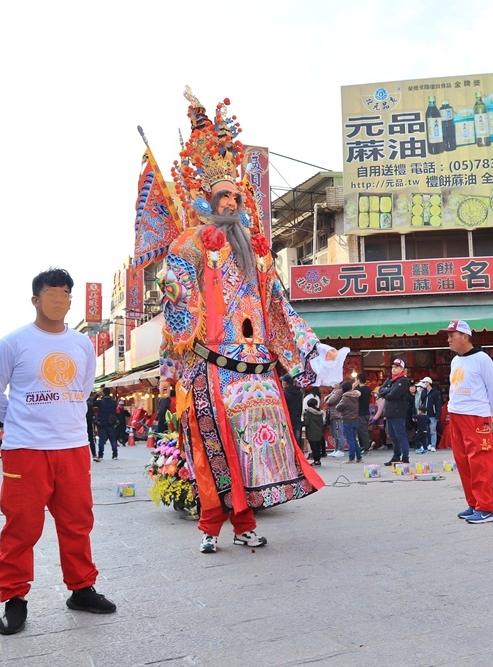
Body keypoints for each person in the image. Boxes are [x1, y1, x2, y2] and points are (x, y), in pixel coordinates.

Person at [157, 90, 327, 555]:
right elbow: (173, 299)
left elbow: (277, 306)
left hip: (256, 368)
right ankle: (211, 527)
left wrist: (309, 350)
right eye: (222, 195)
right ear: (207, 199)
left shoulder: (256, 251)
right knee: (215, 450)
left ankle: (246, 523)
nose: (231, 201)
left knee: (257, 451)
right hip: (212, 364)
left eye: (236, 194)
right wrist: (177, 350)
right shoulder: (190, 245)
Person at [0, 267, 116, 635]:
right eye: (51, 294)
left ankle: (81, 588)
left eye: (65, 294)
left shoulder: (82, 344)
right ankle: (14, 598)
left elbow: (84, 390)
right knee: (21, 526)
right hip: (25, 450)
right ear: (35, 300)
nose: (59, 300)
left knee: (77, 522)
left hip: (72, 447)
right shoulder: (13, 343)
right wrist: (21, 420)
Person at [443, 320, 493, 524]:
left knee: (480, 461)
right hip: (457, 415)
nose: (448, 339)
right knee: (463, 460)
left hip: (476, 416)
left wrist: (487, 413)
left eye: (452, 335)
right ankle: (474, 503)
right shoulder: (455, 361)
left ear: (465, 337)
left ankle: (485, 508)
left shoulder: (482, 359)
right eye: (448, 335)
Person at [379, 358, 412, 466]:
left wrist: (386, 393)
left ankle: (405, 457)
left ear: (402, 368)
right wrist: (387, 391)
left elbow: (393, 395)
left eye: (396, 367)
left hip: (398, 413)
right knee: (392, 437)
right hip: (389, 412)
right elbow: (381, 390)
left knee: (401, 436)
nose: (393, 369)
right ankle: (396, 456)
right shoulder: (390, 379)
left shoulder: (403, 380)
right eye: (393, 367)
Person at [335, 379, 362, 462]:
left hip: (347, 420)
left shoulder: (345, 397)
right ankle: (359, 457)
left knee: (350, 440)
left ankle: (351, 458)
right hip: (355, 419)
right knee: (354, 439)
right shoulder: (356, 396)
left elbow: (338, 407)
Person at [94, 387, 117, 462]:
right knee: (113, 439)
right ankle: (115, 454)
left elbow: (93, 402)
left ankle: (100, 455)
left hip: (102, 423)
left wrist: (97, 395)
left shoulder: (100, 402)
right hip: (111, 422)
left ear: (103, 393)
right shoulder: (114, 402)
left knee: (101, 439)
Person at [282, 374, 304, 451]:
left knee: (288, 441)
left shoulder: (284, 393)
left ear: (285, 383)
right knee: (297, 441)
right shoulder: (299, 393)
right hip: (297, 418)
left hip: (288, 420)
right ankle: (298, 458)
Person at [303, 397, 325, 466]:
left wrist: (300, 423)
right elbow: (322, 423)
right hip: (318, 432)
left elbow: (306, 423)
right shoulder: (320, 412)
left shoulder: (307, 413)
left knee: (313, 447)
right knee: (318, 447)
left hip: (311, 432)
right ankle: (318, 460)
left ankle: (316, 460)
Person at [354, 374, 372, 454]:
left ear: (358, 380)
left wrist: (354, 386)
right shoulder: (368, 389)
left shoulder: (360, 390)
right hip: (366, 412)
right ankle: (364, 447)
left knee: (362, 431)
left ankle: (365, 447)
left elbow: (353, 394)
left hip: (361, 413)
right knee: (363, 430)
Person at [423, 377, 442, 452]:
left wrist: (438, 414)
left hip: (433, 414)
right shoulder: (424, 392)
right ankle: (428, 444)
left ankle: (433, 445)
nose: (424, 384)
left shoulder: (435, 392)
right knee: (426, 430)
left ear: (429, 383)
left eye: (425, 382)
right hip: (425, 414)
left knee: (432, 430)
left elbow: (438, 404)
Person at [85, 391, 98, 458]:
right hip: (89, 422)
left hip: (82, 423)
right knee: (91, 439)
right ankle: (94, 454)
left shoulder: (81, 402)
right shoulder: (89, 402)